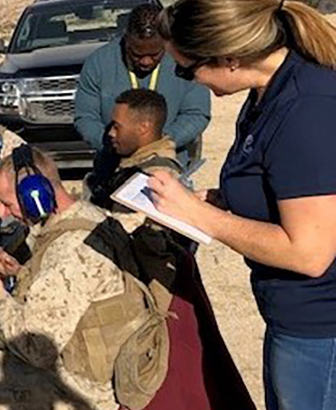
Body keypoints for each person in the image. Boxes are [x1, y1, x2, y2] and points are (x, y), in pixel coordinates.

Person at [148, 1, 336, 409]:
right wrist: (226, 201)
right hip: (294, 320)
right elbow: (286, 187)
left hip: (321, 330)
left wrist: (206, 218)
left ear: (229, 59)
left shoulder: (305, 107)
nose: (189, 82)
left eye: (186, 69)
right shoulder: (269, 95)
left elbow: (310, 253)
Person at [0, 146, 160, 410]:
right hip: (82, 351)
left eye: (8, 203)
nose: (5, 212)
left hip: (89, 386)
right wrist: (19, 272)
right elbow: (60, 291)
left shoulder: (72, 251)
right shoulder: (85, 215)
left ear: (34, 195)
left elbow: (37, 350)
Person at [74, 3, 211, 167]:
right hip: (112, 169)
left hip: (167, 168)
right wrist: (115, 143)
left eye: (155, 54)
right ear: (126, 40)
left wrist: (159, 142)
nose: (146, 61)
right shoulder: (98, 63)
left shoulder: (184, 60)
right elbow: (85, 117)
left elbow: (197, 114)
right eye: (136, 54)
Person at [85, 89, 182, 210]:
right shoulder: (124, 161)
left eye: (117, 127)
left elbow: (129, 225)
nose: (111, 133)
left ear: (143, 128)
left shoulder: (156, 175)